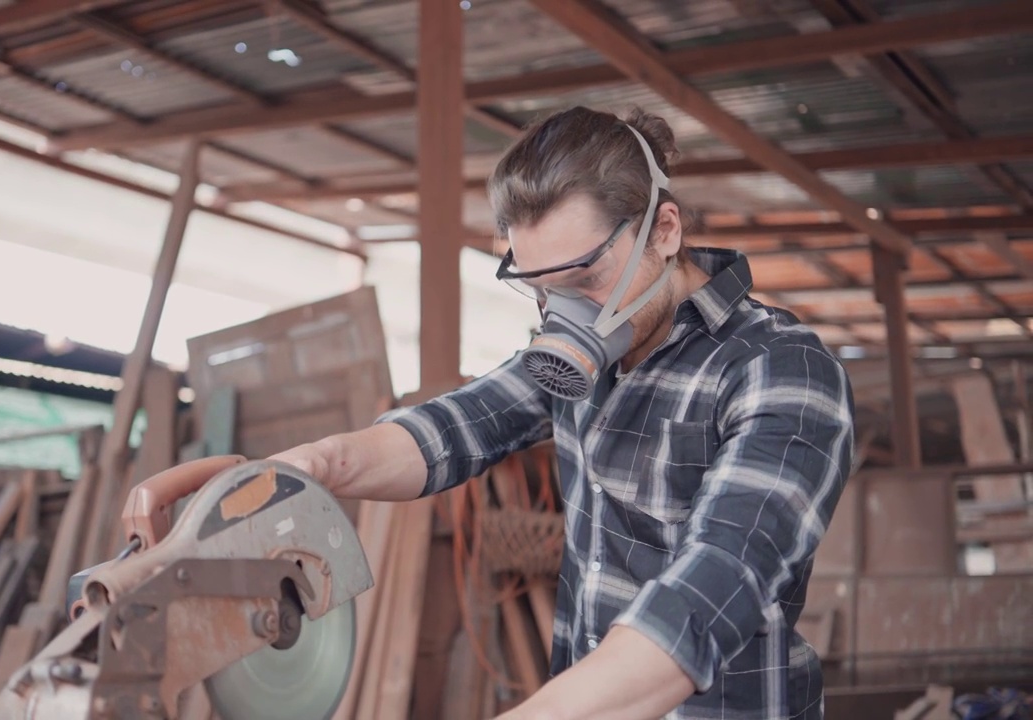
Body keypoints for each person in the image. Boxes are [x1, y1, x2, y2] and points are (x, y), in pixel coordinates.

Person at [270, 105, 855, 720]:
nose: (563, 313)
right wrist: (318, 465)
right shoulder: (583, 360)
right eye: (543, 286)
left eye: (585, 277)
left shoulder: (782, 374)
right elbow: (448, 432)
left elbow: (705, 598)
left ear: (664, 231)